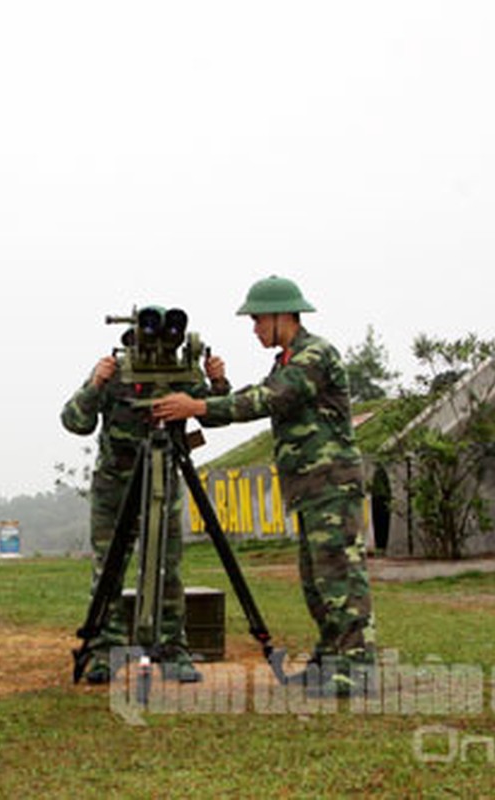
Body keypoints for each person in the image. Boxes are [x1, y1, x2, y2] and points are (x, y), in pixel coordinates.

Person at [152, 275, 376, 697]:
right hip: (310, 487)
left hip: (332, 486)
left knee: (340, 576)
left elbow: (266, 400)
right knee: (316, 581)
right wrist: (204, 393)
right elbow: (244, 400)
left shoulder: (315, 355)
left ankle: (358, 666)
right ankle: (331, 659)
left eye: (258, 320)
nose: (255, 329)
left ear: (282, 315)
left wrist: (197, 405)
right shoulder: (287, 361)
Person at [62, 311, 229, 684]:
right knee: (109, 570)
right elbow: (75, 421)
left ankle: (172, 649)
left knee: (167, 568)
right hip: (114, 488)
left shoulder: (183, 375)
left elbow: (217, 415)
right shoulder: (115, 375)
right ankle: (106, 650)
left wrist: (218, 382)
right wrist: (95, 383)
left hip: (163, 482)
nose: (155, 344)